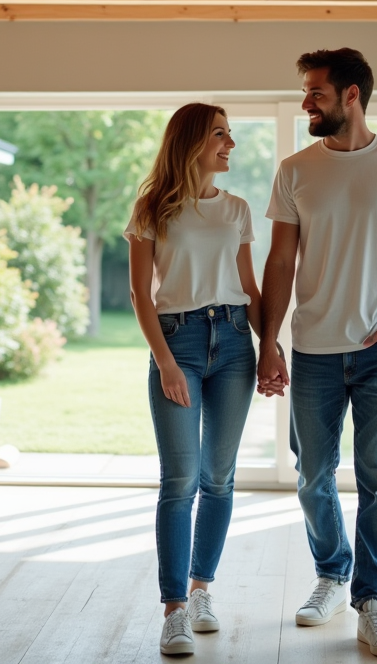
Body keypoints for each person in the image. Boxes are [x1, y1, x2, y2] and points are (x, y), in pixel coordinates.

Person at [256, 49, 377, 658]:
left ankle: (374, 601)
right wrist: (269, 342)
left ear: (352, 95)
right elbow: (280, 261)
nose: (307, 101)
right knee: (312, 474)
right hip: (312, 349)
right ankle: (332, 576)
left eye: (316, 92)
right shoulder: (294, 170)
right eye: (306, 92)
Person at [125, 103, 274, 656]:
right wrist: (164, 360)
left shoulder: (236, 209)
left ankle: (202, 588)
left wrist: (270, 346)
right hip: (178, 342)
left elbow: (249, 289)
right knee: (179, 480)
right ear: (191, 141)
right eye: (220, 135)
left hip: (235, 341)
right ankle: (174, 610)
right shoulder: (152, 209)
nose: (230, 144)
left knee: (219, 477)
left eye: (231, 135)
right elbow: (142, 295)